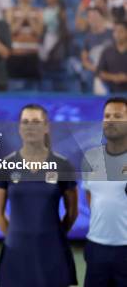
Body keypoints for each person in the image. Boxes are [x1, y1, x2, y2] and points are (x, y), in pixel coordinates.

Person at [0, 104, 78, 287]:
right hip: (15, 252)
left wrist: (53, 236)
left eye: (36, 122)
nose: (30, 127)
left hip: (53, 252)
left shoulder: (63, 165)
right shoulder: (6, 165)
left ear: (46, 127)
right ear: (19, 127)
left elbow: (72, 213)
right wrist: (16, 236)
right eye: (25, 122)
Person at [81, 97, 127, 286]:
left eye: (118, 116)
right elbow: (91, 196)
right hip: (96, 247)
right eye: (107, 115)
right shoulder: (91, 157)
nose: (111, 120)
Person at [6, 0, 44, 90]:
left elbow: (39, 32)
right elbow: (11, 31)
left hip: (32, 57)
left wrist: (30, 18)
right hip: (16, 56)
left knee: (33, 91)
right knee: (14, 90)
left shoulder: (38, 12)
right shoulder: (11, 11)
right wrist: (23, 17)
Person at [80, 7, 113, 93]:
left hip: (112, 69)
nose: (93, 19)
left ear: (101, 17)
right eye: (90, 17)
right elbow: (84, 60)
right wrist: (96, 69)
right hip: (96, 70)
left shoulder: (112, 33)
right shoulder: (88, 37)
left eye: (95, 16)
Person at [97, 20, 127, 93]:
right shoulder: (107, 51)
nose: (117, 34)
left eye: (121, 31)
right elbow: (100, 72)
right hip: (110, 91)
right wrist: (114, 77)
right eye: (115, 31)